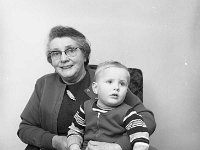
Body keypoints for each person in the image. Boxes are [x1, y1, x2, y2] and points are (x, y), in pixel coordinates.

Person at [17, 25, 156, 150]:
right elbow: (25, 128)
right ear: (51, 59)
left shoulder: (106, 80)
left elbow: (146, 119)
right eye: (56, 53)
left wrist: (118, 145)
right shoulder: (44, 84)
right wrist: (55, 141)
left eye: (70, 50)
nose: (63, 58)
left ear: (85, 55)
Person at [67, 60, 149, 150]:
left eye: (122, 84)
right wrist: (74, 146)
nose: (116, 88)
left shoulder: (129, 113)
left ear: (126, 90)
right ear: (95, 88)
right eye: (110, 82)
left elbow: (140, 137)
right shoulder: (85, 108)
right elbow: (75, 131)